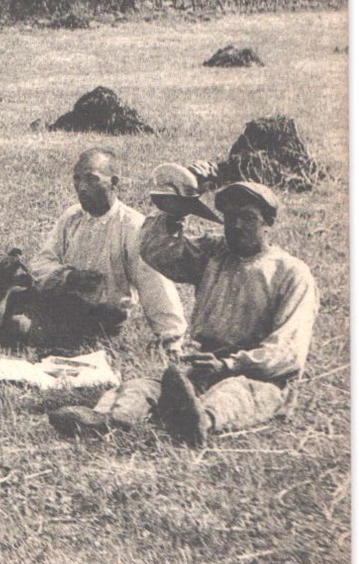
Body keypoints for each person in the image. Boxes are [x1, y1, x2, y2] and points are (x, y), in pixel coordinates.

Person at [49, 180, 318, 446]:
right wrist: (176, 208)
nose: (236, 226)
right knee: (143, 387)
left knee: (233, 393)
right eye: (230, 217)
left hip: (259, 377)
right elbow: (158, 252)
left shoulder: (291, 273)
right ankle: (109, 419)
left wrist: (230, 365)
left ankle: (199, 420)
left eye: (247, 218)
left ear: (267, 222)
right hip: (203, 369)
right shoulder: (214, 253)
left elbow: (287, 350)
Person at [5, 147, 186, 352]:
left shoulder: (132, 226)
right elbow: (40, 264)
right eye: (77, 179)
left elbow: (155, 284)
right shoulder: (72, 217)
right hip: (61, 305)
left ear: (114, 183)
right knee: (6, 311)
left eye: (92, 179)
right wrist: (69, 277)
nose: (82, 187)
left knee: (18, 328)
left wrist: (171, 339)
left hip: (101, 319)